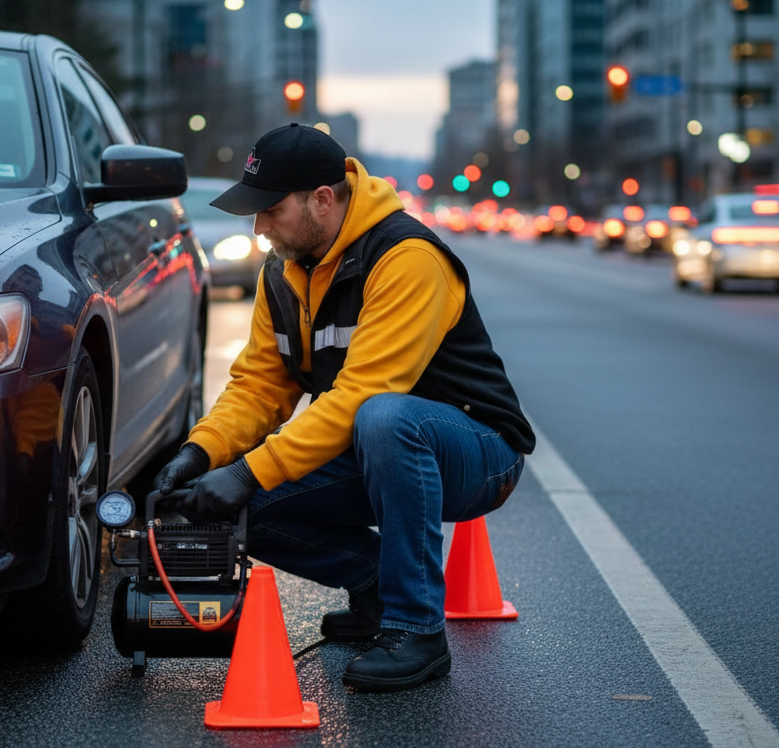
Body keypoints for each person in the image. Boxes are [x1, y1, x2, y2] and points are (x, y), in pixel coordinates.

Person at [153, 123, 535, 692]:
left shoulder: (406, 258)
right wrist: (202, 453)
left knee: (384, 417)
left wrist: (249, 470)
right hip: (370, 444)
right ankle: (379, 593)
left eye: (270, 211)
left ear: (323, 200)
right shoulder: (283, 272)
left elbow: (361, 393)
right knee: (232, 505)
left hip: (477, 452)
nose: (259, 228)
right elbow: (260, 386)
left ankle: (417, 629)